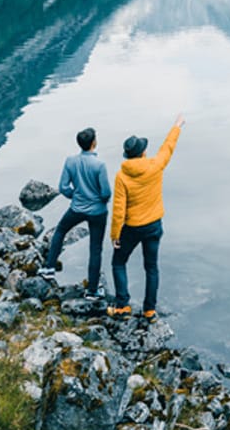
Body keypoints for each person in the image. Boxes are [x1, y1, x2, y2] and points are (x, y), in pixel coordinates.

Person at [107, 113, 184, 319]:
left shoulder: (121, 176)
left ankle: (122, 305)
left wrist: (115, 235)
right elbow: (168, 148)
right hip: (153, 226)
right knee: (151, 267)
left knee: (118, 263)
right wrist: (177, 126)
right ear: (143, 153)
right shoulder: (155, 166)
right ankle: (149, 309)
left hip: (131, 228)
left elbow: (118, 209)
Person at [45, 127, 112, 294]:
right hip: (97, 212)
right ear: (93, 143)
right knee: (95, 249)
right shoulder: (100, 165)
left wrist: (75, 196)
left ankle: (49, 268)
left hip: (76, 208)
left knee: (60, 231)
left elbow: (63, 187)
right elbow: (106, 193)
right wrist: (99, 200)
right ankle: (92, 291)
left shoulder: (70, 161)